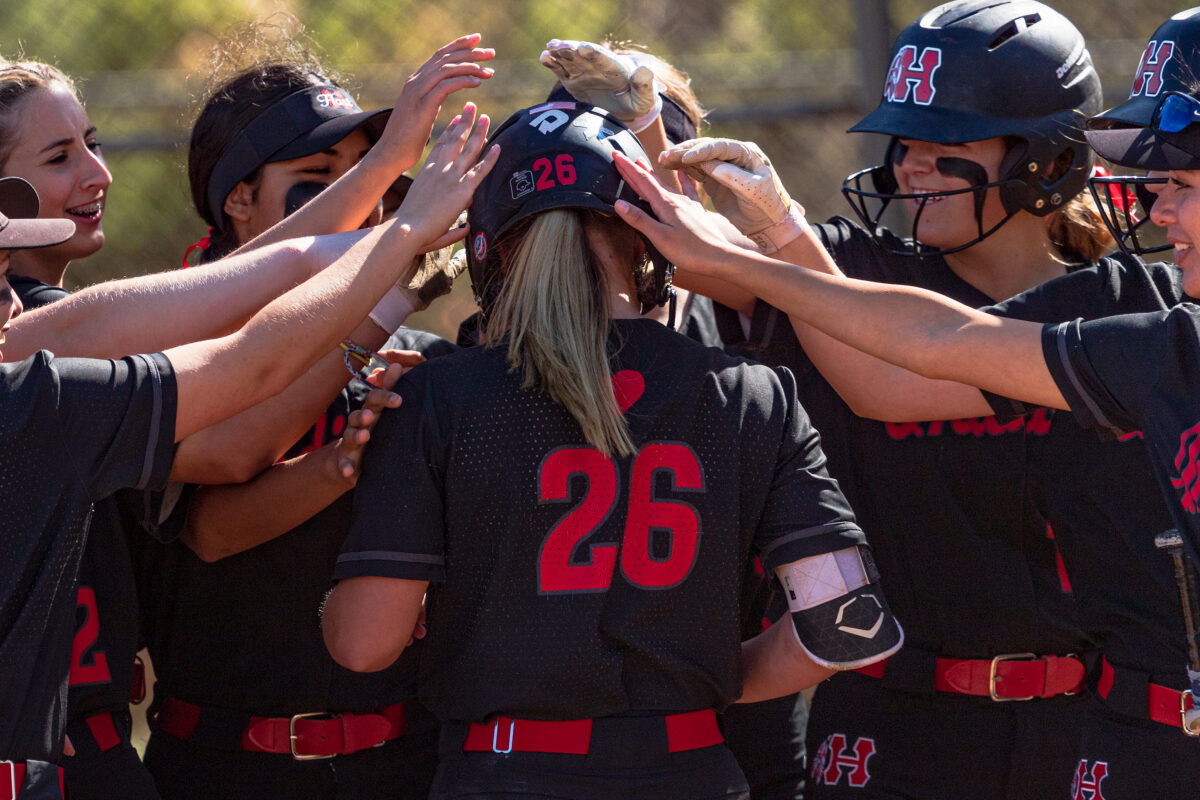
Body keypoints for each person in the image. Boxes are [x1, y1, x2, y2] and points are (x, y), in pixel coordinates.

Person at [320, 100, 902, 800]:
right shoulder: (751, 393)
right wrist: (693, 676)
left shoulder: (438, 397)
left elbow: (363, 644)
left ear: (489, 245)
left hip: (505, 773)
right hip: (691, 768)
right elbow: (848, 626)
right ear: (648, 238)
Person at [656, 4, 1109, 798]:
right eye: (906, 141)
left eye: (947, 144)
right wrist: (632, 128)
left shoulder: (1120, 307)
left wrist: (788, 244)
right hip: (893, 717)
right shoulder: (850, 266)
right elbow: (697, 249)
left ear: (1045, 159)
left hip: (1092, 719)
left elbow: (896, 373)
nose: (910, 165)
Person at [0, 103, 497, 800]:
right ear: (237, 197)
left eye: (92, 143)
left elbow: (278, 275)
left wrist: (394, 247)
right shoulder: (34, 385)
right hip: (142, 753)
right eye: (58, 157)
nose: (97, 172)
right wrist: (397, 262)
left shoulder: (39, 370)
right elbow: (239, 412)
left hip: (87, 758)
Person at [135, 36, 487, 800]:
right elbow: (211, 525)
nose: (368, 199)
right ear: (237, 199)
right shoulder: (161, 338)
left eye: (374, 177)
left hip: (399, 757)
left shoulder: (415, 354)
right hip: (222, 762)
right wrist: (338, 464)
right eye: (322, 178)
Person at [539, 38, 809, 800]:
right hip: (553, 725)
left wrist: (649, 122)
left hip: (733, 707)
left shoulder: (745, 320)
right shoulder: (500, 348)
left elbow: (708, 248)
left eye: (620, 143)